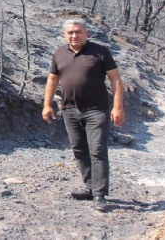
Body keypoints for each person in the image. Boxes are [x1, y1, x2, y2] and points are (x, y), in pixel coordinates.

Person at [42, 18, 126, 212]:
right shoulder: (59, 53)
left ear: (86, 33)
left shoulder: (100, 52)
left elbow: (115, 79)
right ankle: (89, 187)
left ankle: (99, 194)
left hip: (96, 110)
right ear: (65, 34)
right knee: (79, 150)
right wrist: (47, 105)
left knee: (97, 150)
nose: (74, 35)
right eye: (70, 32)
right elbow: (52, 80)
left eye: (78, 32)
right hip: (69, 110)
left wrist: (118, 107)